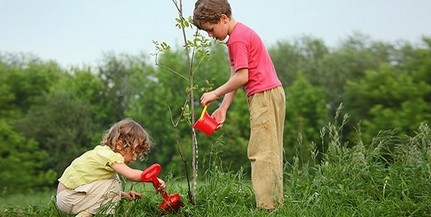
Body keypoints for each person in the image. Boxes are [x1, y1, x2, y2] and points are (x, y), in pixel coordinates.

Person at [193, 0, 286, 211]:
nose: (210, 35)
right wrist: (223, 107)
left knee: (262, 151)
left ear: (223, 18)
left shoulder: (237, 40)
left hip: (264, 95)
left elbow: (243, 77)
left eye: (210, 29)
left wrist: (215, 93)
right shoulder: (238, 36)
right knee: (270, 150)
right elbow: (236, 75)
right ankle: (274, 204)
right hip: (269, 93)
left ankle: (268, 207)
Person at [56, 118, 166, 217]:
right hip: (69, 197)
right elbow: (131, 175)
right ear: (119, 145)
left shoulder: (103, 153)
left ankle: (85, 215)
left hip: (69, 197)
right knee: (114, 183)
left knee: (114, 180)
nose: (134, 158)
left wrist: (123, 195)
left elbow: (98, 188)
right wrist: (153, 179)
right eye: (133, 153)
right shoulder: (109, 156)